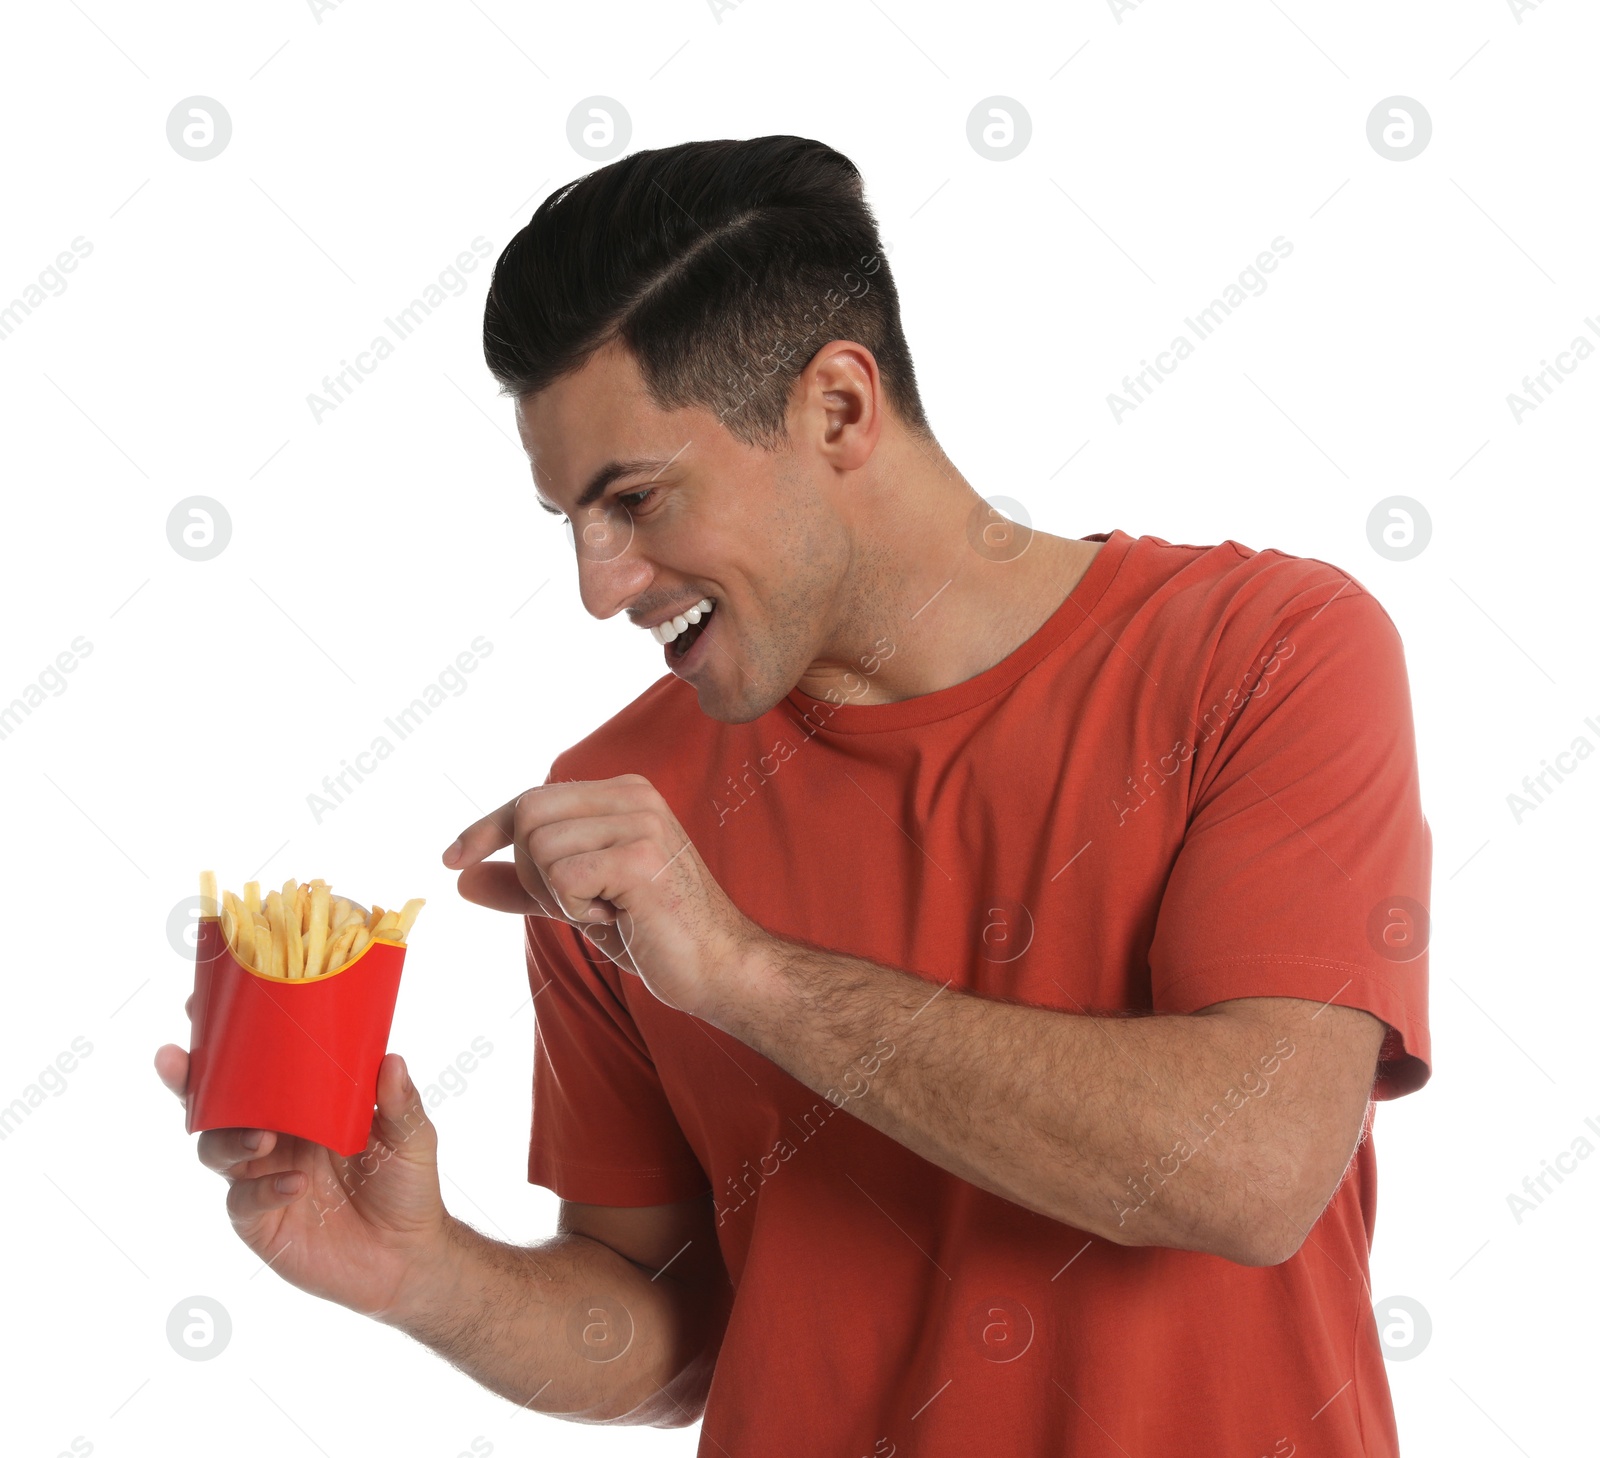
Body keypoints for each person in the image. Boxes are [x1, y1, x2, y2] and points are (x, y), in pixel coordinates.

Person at [156, 135, 1431, 1455]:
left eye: (636, 498)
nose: (599, 584)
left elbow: (1255, 1167)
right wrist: (418, 1270)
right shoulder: (617, 812)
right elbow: (672, 1334)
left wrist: (745, 974)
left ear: (836, 407)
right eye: (570, 519)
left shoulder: (1269, 651)